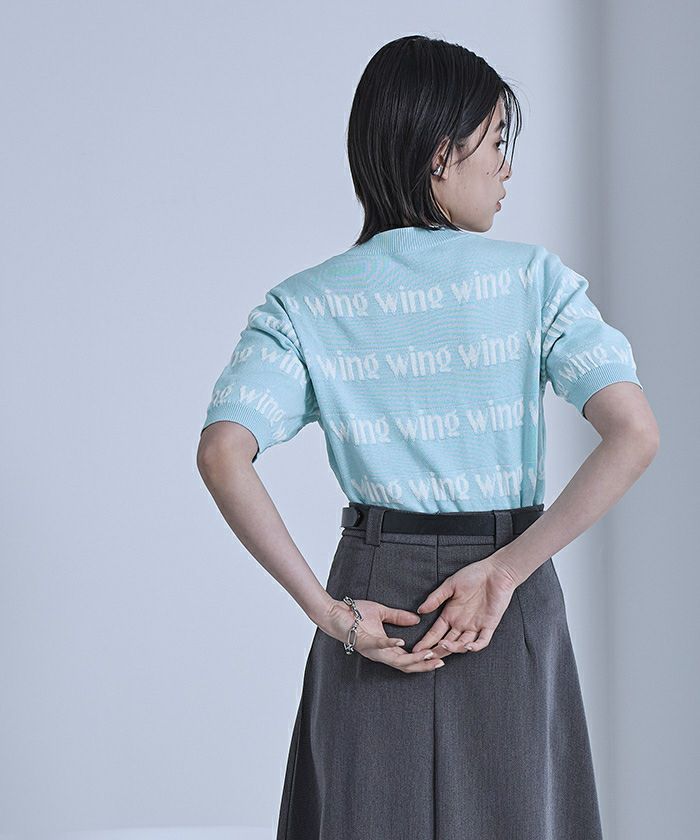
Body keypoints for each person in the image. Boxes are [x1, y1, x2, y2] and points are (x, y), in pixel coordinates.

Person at [197, 34, 659, 840]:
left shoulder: (305, 303)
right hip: (506, 591)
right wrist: (506, 571)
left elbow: (222, 452)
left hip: (373, 598)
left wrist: (327, 612)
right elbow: (634, 434)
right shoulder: (533, 280)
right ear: (441, 154)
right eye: (497, 143)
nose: (506, 170)